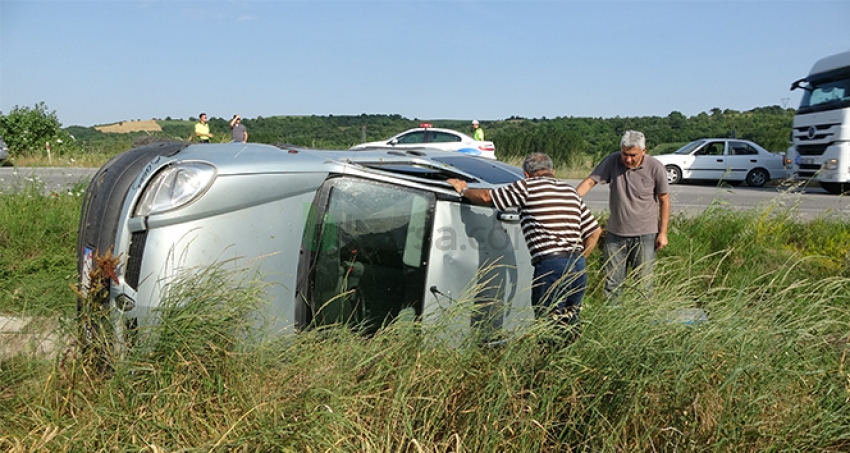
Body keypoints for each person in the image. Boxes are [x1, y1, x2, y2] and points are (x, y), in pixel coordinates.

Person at [447, 153, 601, 334]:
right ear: (553, 171)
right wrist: (579, 259)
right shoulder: (569, 192)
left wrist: (463, 190)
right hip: (577, 265)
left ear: (526, 174)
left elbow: (487, 197)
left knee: (548, 324)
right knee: (570, 322)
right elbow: (595, 232)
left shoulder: (527, 187)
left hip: (551, 264)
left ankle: (549, 359)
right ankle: (568, 358)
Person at [576, 130, 670, 304]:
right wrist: (570, 200)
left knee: (644, 284)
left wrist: (663, 232)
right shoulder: (612, 161)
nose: (627, 159)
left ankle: (643, 320)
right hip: (615, 235)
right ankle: (613, 319)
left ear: (643, 151)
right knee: (612, 283)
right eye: (624, 154)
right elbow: (590, 182)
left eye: (632, 155)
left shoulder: (655, 167)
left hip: (645, 235)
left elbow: (664, 200)